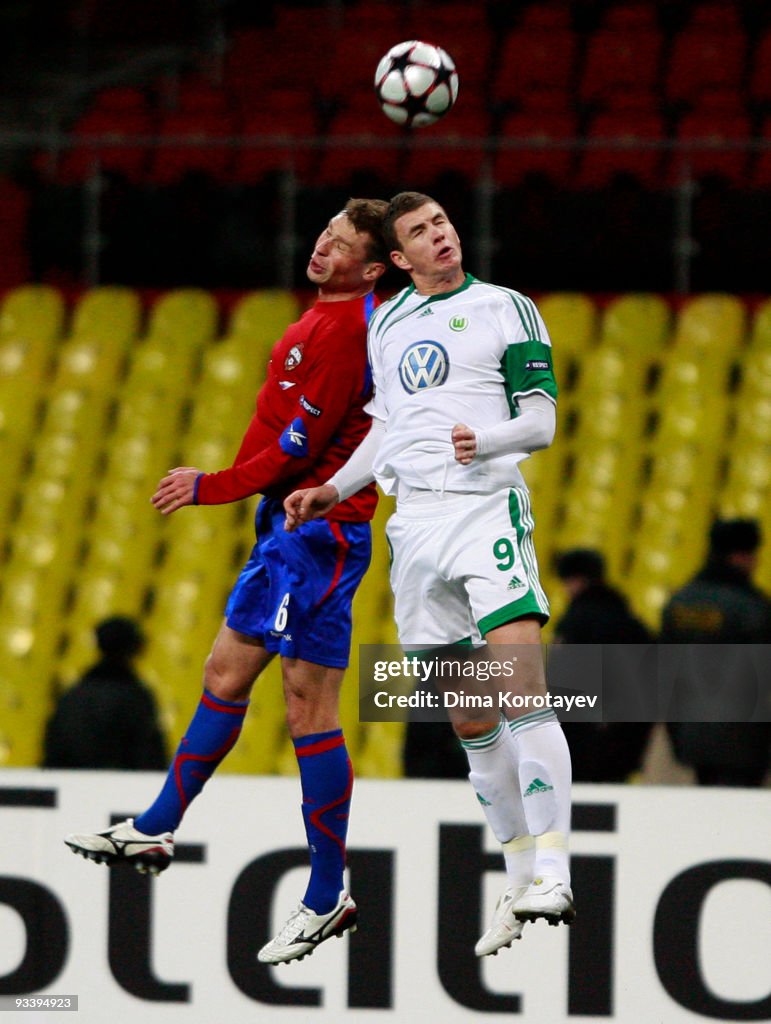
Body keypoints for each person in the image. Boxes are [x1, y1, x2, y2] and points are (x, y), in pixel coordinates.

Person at [65, 198, 389, 965]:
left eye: (342, 245)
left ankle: (314, 886)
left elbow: (295, 444)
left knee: (296, 704)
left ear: (372, 269)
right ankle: (167, 831)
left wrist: (212, 484)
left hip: (316, 534)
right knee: (241, 679)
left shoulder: (347, 332)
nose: (323, 247)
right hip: (293, 529)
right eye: (324, 233)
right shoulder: (325, 319)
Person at [285, 191, 574, 958]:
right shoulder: (388, 323)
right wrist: (334, 489)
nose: (439, 236)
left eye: (442, 223)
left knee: (520, 688)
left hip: (484, 512)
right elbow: (387, 426)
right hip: (412, 528)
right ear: (400, 259)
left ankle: (554, 868)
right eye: (420, 232)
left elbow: (541, 421)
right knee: (471, 721)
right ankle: (516, 880)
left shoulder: (505, 309)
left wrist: (485, 440)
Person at [660, 518, 771, 787]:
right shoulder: (752, 608)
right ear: (740, 556)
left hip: (691, 730)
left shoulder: (679, 603)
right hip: (744, 736)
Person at [553, 548, 654, 782]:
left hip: (582, 733)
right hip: (625, 732)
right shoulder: (628, 619)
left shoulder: (575, 621)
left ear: (575, 580)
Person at [43, 616, 166, 770]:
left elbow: (54, 751)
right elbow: (149, 755)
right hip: (121, 787)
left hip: (75, 787)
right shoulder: (135, 697)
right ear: (136, 647)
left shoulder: (74, 694)